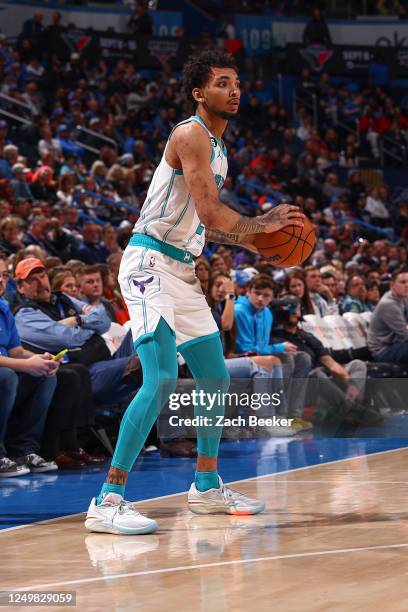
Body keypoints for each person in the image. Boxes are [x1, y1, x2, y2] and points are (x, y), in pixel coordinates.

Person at [85, 49, 305, 535]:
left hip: (183, 271)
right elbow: (209, 213)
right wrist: (260, 226)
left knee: (213, 376)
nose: (235, 89)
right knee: (161, 377)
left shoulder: (220, 150)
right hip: (149, 262)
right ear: (199, 93)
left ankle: (206, 486)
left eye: (237, 82)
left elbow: (213, 224)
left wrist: (255, 238)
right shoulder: (190, 134)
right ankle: (108, 498)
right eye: (223, 82)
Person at [0, 254, 59, 477]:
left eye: (4, 275)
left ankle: (24, 449)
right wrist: (25, 365)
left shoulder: (3, 307)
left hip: (7, 371)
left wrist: (39, 359)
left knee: (45, 374)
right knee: (6, 376)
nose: (1, 281)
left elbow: (16, 351)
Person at [367, 268, 408, 364]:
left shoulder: (403, 298)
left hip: (396, 343)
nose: (407, 285)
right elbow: (405, 335)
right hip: (383, 350)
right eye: (402, 282)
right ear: (392, 285)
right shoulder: (389, 304)